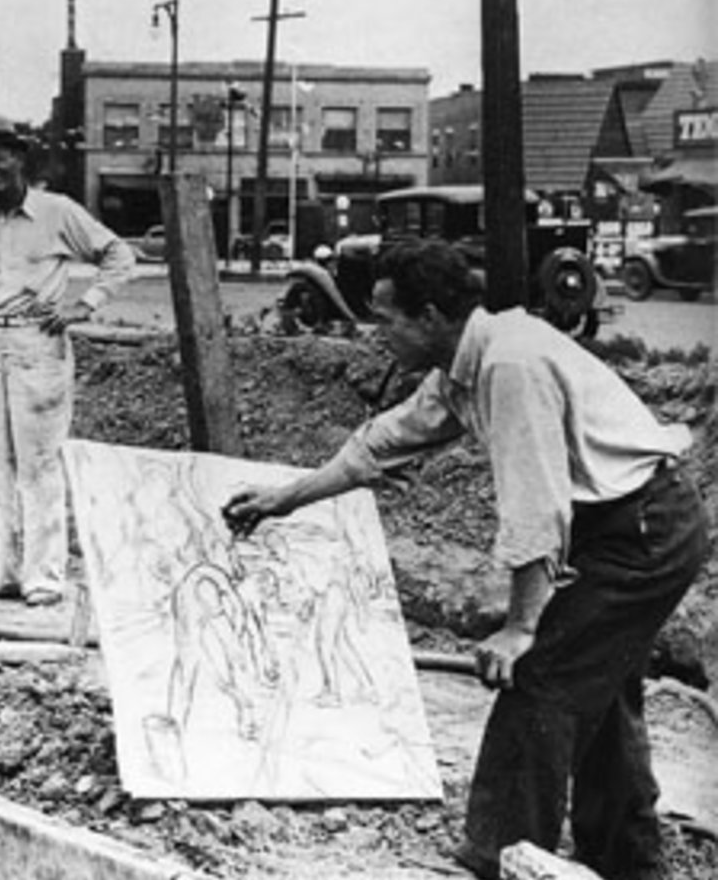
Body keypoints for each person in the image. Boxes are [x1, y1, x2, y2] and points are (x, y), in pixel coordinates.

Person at [222, 239, 708, 880]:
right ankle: (628, 861)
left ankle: (499, 857)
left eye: (387, 319)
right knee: (598, 688)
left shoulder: (509, 365)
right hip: (627, 522)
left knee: (539, 678)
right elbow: (384, 440)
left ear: (429, 316)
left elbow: (536, 510)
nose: (378, 334)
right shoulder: (466, 362)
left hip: (643, 530)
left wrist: (521, 627)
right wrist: (285, 498)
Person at [0, 114, 137, 608]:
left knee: (40, 465)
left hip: (39, 347)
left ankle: (44, 578)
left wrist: (84, 304)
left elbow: (119, 256)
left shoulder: (57, 212)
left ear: (20, 159)